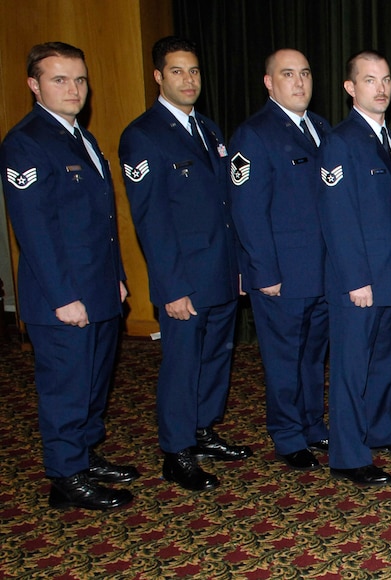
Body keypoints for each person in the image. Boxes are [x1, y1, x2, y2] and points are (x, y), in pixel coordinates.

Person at [1, 42, 137, 510]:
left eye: (79, 79)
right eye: (60, 79)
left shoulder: (82, 136)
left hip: (98, 288)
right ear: (34, 85)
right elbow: (34, 231)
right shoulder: (26, 143)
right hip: (63, 297)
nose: (74, 89)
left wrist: (117, 277)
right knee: (66, 389)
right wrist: (64, 297)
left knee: (95, 382)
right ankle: (65, 477)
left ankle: (84, 454)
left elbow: (101, 222)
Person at [120, 36, 248, 492]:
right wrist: (171, 288)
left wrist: (238, 267)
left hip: (219, 270)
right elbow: (151, 221)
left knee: (217, 357)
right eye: (177, 71)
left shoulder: (209, 129)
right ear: (158, 76)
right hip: (184, 281)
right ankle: (176, 451)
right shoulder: (143, 135)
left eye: (193, 71)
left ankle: (202, 430)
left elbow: (225, 206)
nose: (188, 80)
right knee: (182, 364)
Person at [228, 49, 331, 472]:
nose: (299, 82)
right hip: (282, 276)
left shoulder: (322, 128)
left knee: (311, 355)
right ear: (269, 82)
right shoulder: (254, 134)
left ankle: (310, 423)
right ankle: (287, 434)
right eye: (288, 74)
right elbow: (247, 211)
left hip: (323, 272)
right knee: (284, 358)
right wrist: (263, 272)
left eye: (305, 73)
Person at [318, 50, 391, 487]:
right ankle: (348, 456)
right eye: (370, 80)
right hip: (360, 282)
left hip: (390, 278)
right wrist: (357, 279)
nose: (382, 88)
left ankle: (376, 432)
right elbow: (338, 218)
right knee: (352, 369)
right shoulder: (340, 141)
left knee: (382, 364)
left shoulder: (387, 138)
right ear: (351, 88)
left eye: (387, 79)